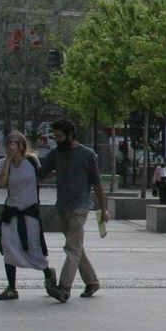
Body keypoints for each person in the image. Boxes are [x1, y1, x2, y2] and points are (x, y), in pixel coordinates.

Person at [37, 119, 107, 302]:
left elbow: (97, 184)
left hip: (80, 207)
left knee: (72, 248)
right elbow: (41, 173)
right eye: (55, 136)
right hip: (62, 207)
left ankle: (64, 288)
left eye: (60, 136)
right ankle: (92, 282)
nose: (57, 140)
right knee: (76, 248)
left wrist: (103, 209)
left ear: (70, 135)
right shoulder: (55, 154)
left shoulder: (88, 154)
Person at [0, 132, 59, 301]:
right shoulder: (3, 163)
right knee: (9, 248)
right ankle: (11, 288)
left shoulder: (31, 161)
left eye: (16, 142)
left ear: (22, 145)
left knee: (33, 247)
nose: (12, 145)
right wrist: (9, 159)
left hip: (29, 211)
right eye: (10, 142)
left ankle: (48, 274)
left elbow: (41, 176)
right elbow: (2, 182)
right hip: (11, 211)